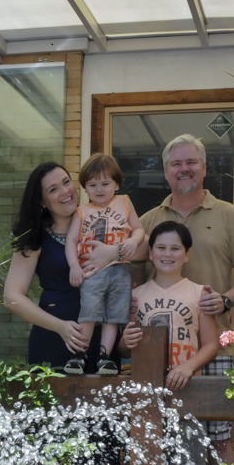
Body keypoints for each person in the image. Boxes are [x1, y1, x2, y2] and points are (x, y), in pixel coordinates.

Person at [116, 134, 234, 462]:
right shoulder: (148, 220)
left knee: (221, 440)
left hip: (215, 348)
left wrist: (224, 300)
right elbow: (130, 274)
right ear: (166, 171)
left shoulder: (230, 215)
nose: (184, 169)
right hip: (159, 355)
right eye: (176, 164)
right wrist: (128, 311)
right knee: (156, 438)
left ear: (204, 168)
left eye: (191, 162)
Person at [4, 161, 116, 371]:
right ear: (42, 201)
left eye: (66, 182)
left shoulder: (104, 220)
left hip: (103, 342)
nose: (65, 191)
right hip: (56, 340)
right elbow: (12, 298)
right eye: (53, 189)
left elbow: (148, 248)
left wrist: (115, 251)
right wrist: (60, 327)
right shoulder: (35, 238)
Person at [62, 153, 144, 376]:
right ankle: (79, 355)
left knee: (114, 316)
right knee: (90, 312)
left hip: (121, 269)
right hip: (92, 270)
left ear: (116, 184)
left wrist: (134, 240)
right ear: (85, 189)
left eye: (105, 183)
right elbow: (71, 240)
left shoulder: (124, 202)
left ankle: (104, 357)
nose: (99, 189)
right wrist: (74, 266)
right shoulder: (82, 211)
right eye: (92, 184)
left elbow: (138, 228)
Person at [120, 221, 219, 391]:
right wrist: (125, 341)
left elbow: (211, 344)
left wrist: (188, 367)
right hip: (145, 384)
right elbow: (124, 350)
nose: (167, 254)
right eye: (161, 248)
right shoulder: (136, 295)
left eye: (175, 248)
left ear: (187, 254)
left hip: (186, 382)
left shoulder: (200, 293)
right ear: (150, 253)